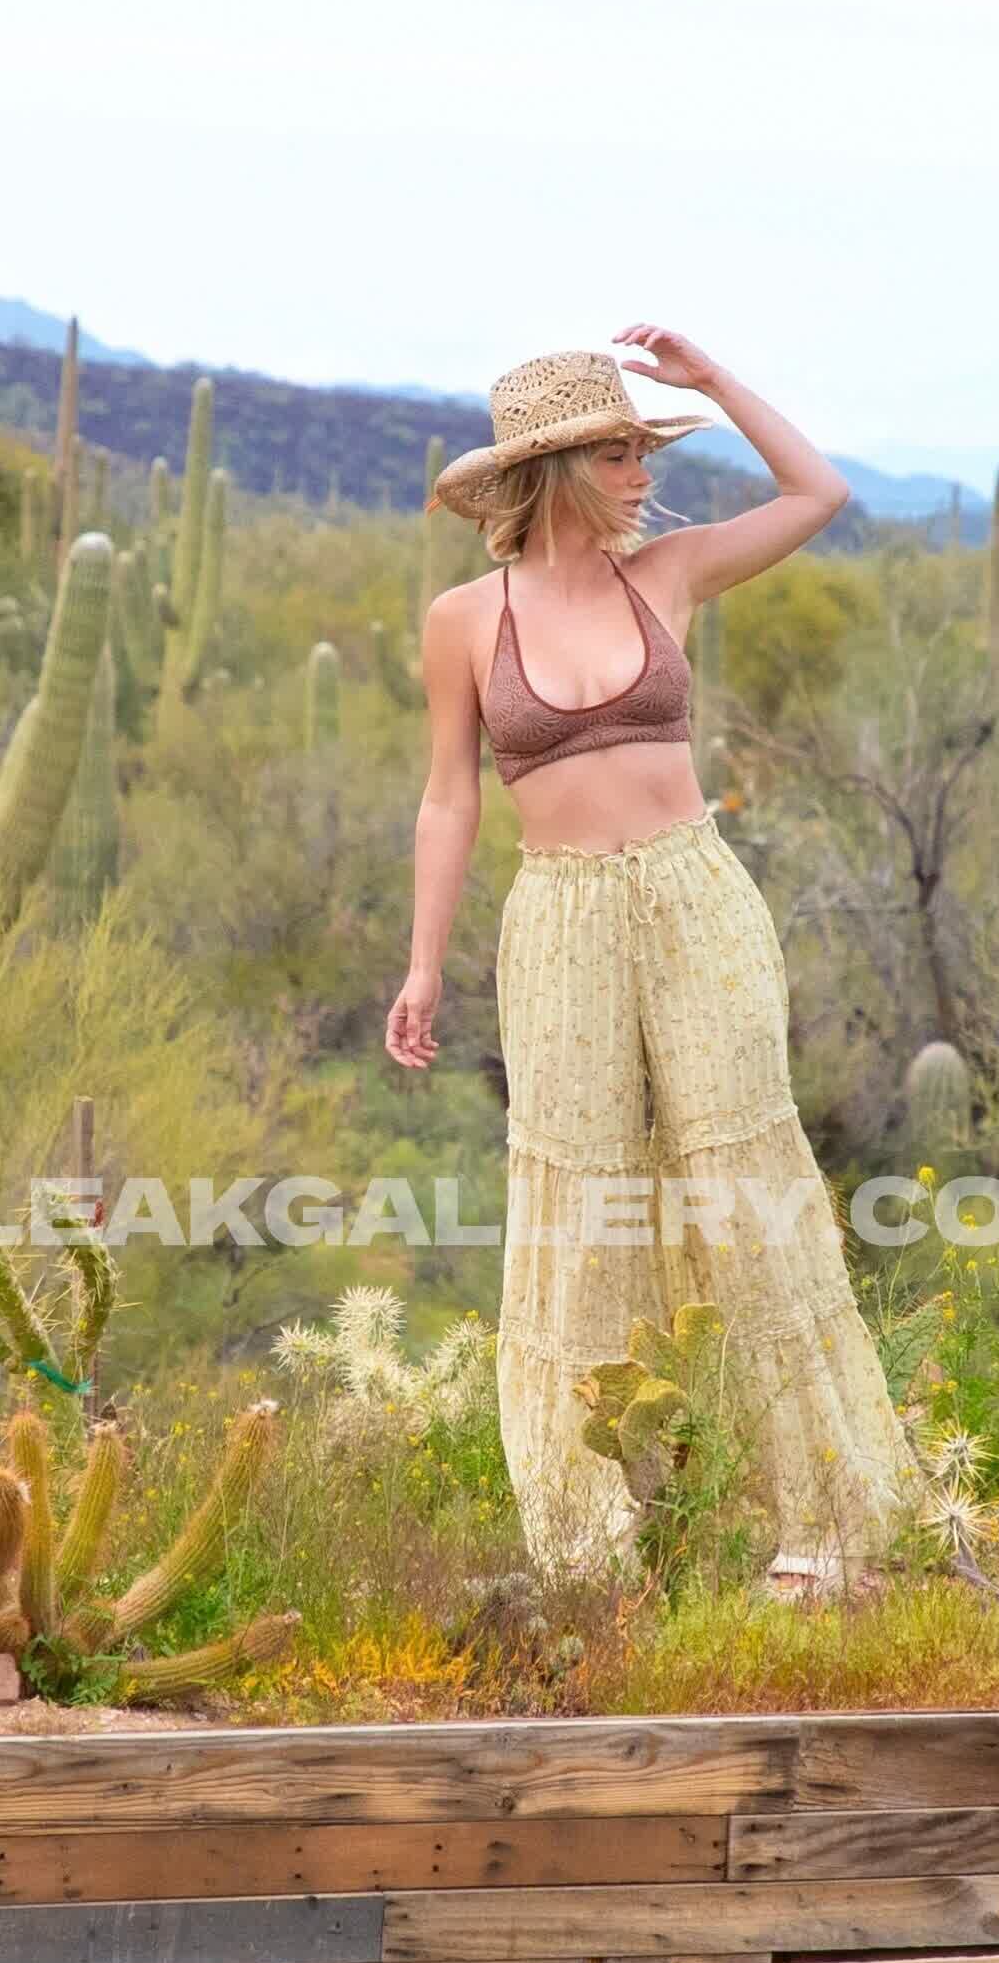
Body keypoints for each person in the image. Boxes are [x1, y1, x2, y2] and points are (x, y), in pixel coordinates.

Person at [385, 329, 918, 1587]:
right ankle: (594, 1545)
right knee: (576, 1206)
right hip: (559, 920)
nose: (642, 473)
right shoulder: (463, 620)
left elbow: (817, 493)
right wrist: (422, 966)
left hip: (696, 901)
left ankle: (825, 1524)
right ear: (558, 470)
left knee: (744, 1183)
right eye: (620, 453)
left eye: (641, 448)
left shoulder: (668, 574)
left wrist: (714, 383)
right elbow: (449, 798)